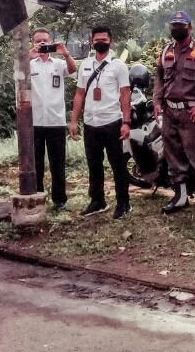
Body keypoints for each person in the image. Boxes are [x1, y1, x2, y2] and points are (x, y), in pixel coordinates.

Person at [155, 11, 195, 217]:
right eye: (174, 25)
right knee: (173, 155)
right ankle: (180, 197)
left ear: (190, 27)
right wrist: (157, 101)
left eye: (181, 26)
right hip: (169, 112)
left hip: (192, 114)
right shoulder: (166, 51)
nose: (177, 29)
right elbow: (159, 79)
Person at [69, 26, 133, 220]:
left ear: (110, 41)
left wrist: (126, 122)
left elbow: (125, 94)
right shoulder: (85, 65)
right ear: (91, 42)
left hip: (112, 121)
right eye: (97, 39)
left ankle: (124, 203)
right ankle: (98, 201)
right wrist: (73, 121)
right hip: (91, 123)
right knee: (94, 165)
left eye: (104, 39)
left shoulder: (118, 66)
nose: (100, 42)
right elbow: (80, 93)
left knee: (117, 165)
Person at [29, 28, 76, 211]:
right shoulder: (29, 65)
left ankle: (59, 200)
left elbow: (72, 71)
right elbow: (17, 75)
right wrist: (28, 57)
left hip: (56, 121)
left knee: (57, 163)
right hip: (35, 122)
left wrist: (66, 54)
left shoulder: (57, 63)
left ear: (51, 42)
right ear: (33, 43)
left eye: (44, 41)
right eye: (38, 41)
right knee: (36, 163)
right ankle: (37, 197)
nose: (41, 44)